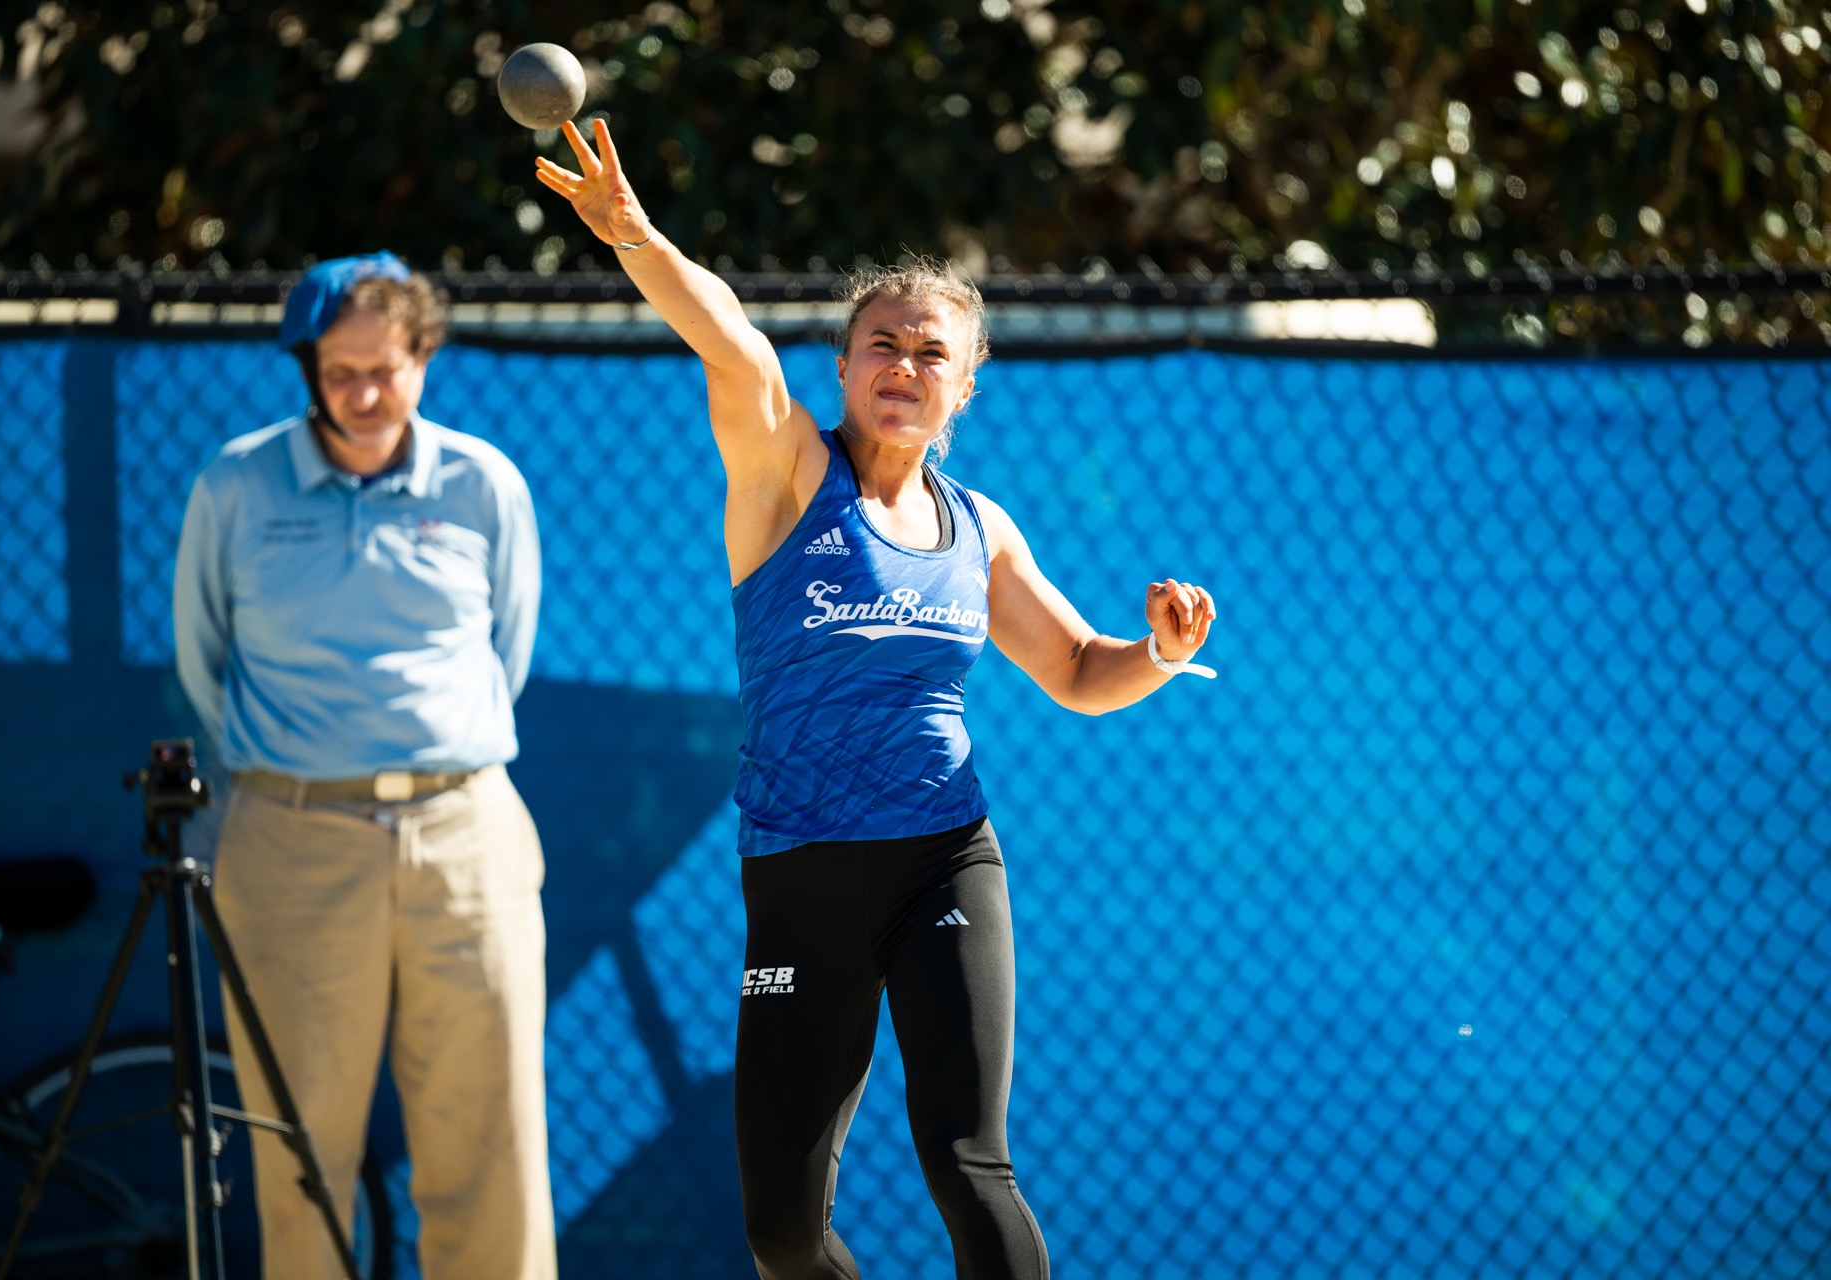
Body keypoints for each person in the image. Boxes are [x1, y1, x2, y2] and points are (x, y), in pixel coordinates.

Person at [534, 122, 1217, 1280]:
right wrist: (637, 237)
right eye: (880, 344)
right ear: (845, 368)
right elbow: (733, 349)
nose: (904, 363)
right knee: (783, 1231)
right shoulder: (791, 473)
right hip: (800, 869)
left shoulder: (981, 526)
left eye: (930, 351)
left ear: (964, 384)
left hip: (943, 859)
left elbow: (1079, 672)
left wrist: (1154, 649)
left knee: (969, 1162)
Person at [172, 253, 555, 1279]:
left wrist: (434, 757)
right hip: (289, 840)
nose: (366, 394)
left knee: (492, 1145)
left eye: (387, 368)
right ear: (306, 370)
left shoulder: (483, 483)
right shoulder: (237, 483)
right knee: (298, 1149)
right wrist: (305, 767)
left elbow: (505, 651)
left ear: (422, 357)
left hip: (467, 832)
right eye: (340, 372)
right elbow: (202, 661)